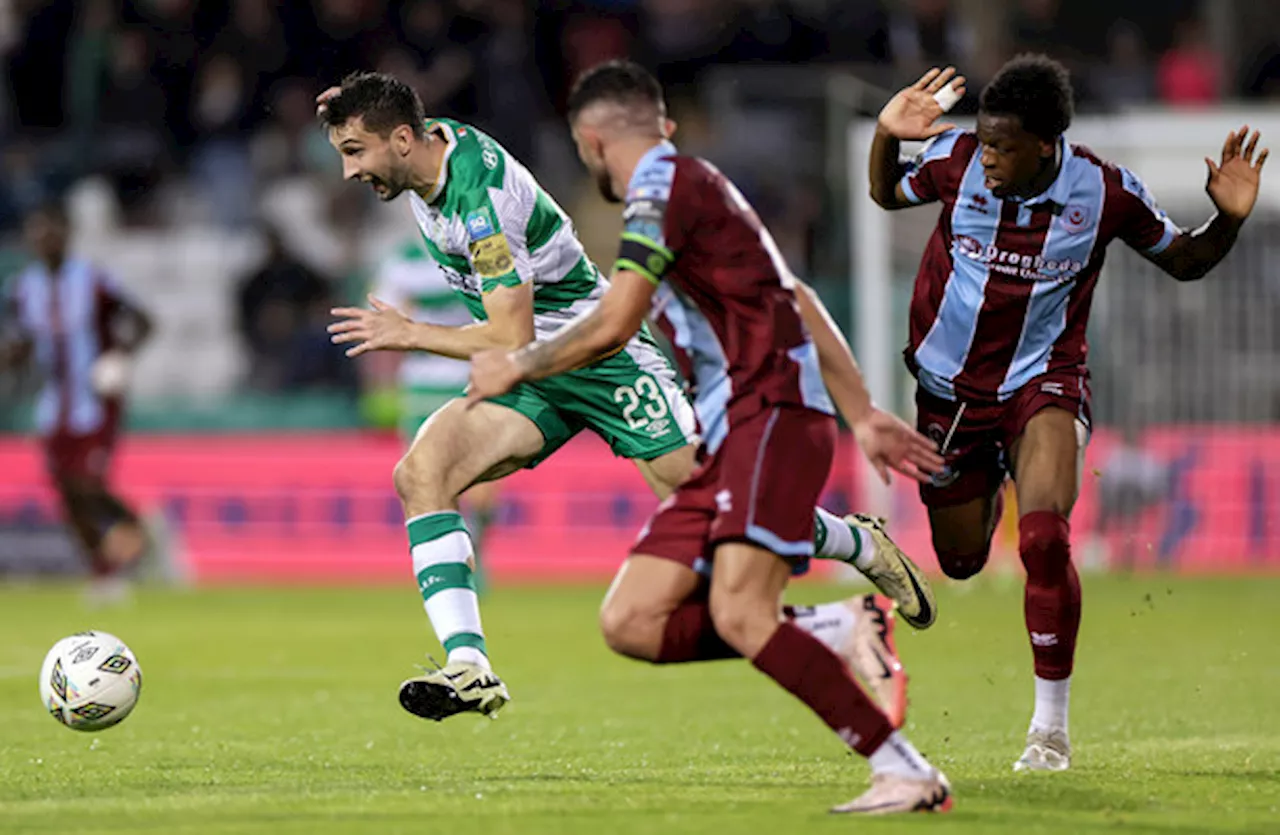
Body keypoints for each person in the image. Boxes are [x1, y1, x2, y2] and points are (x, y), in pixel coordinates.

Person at [318, 72, 939, 725]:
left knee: (718, 505)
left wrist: (410, 333)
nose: (347, 170)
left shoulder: (481, 199)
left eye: (355, 151)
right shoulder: (426, 164)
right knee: (421, 473)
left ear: (404, 139)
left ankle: (856, 542)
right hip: (531, 375)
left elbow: (511, 330)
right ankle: (470, 665)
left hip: (602, 357)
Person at [469, 60, 952, 816]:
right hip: (738, 435)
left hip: (772, 416)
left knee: (739, 612)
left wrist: (519, 365)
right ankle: (838, 621)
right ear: (659, 124)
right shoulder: (692, 192)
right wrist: (860, 412)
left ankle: (903, 768)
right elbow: (798, 296)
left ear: (591, 142)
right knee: (630, 621)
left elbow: (616, 322)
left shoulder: (660, 189)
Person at [867, 55, 1268, 771]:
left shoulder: (1104, 191)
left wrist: (1227, 220)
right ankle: (978, 486)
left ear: (1047, 146)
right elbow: (884, 195)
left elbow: (1184, 259)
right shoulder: (954, 161)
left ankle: (1049, 730)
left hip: (1043, 379)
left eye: (1003, 146)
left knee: (1046, 537)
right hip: (950, 393)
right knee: (960, 561)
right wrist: (885, 137)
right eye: (984, 141)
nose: (987, 156)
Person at [0, 201, 153, 603]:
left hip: (95, 400)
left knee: (87, 485)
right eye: (36, 232)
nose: (43, 239)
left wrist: (120, 354)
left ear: (66, 234)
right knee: (67, 494)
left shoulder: (92, 281)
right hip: (54, 404)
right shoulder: (23, 287)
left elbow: (142, 319)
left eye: (50, 231)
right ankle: (105, 574)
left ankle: (139, 528)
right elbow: (21, 343)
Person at [363, 235, 502, 571]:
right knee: (429, 479)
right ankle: (455, 560)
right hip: (420, 386)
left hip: (472, 378)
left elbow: (499, 309)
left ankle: (476, 545)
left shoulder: (476, 248)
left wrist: (420, 309)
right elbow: (381, 316)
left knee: (480, 480)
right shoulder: (403, 258)